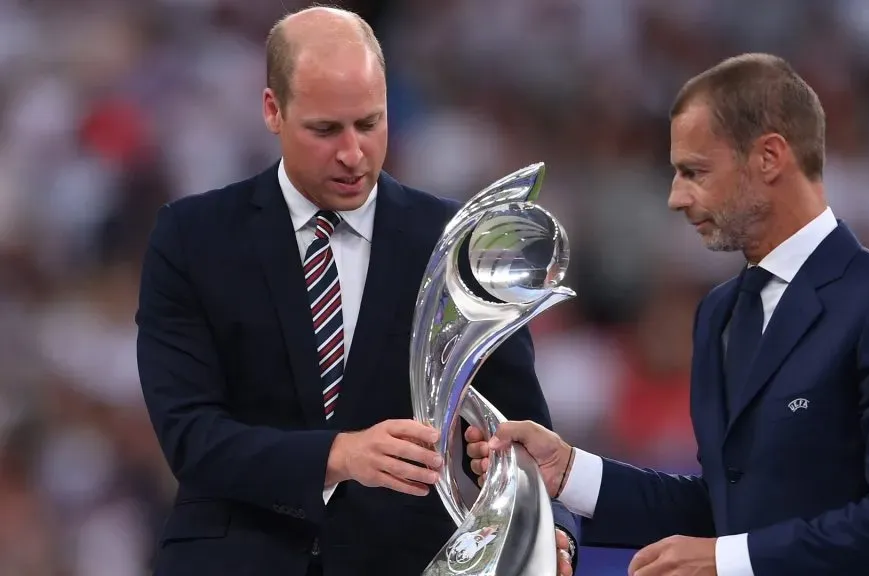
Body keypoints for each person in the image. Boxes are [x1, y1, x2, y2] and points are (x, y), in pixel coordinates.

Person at [465, 53, 869, 576]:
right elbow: (729, 507)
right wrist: (570, 472)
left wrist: (730, 560)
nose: (676, 197)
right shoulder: (720, 314)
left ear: (769, 157)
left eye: (694, 171)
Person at [134, 7, 578, 576]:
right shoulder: (192, 238)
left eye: (370, 124)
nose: (353, 153)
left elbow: (520, 429)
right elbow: (190, 436)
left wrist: (544, 531)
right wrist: (338, 455)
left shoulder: (455, 242)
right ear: (273, 109)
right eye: (326, 130)